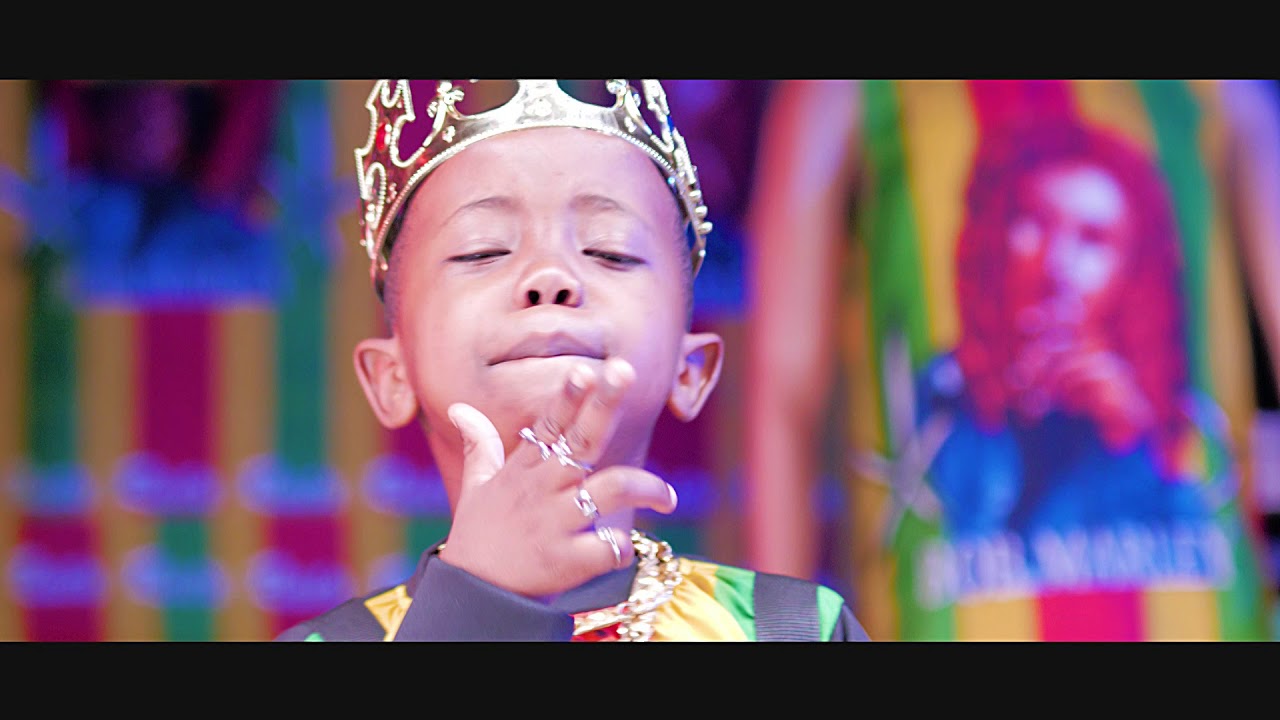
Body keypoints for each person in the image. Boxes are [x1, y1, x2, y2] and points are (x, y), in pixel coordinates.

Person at [276, 79, 869, 641]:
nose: (550, 276)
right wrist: (471, 607)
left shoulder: (791, 627)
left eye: (610, 252)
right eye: (483, 251)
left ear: (690, 371)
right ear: (392, 376)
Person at [746, 79, 1280, 640]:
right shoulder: (848, 93)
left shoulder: (1219, 93)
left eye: (1093, 238)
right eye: (1031, 222)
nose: (1057, 266)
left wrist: (1134, 446)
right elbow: (784, 400)